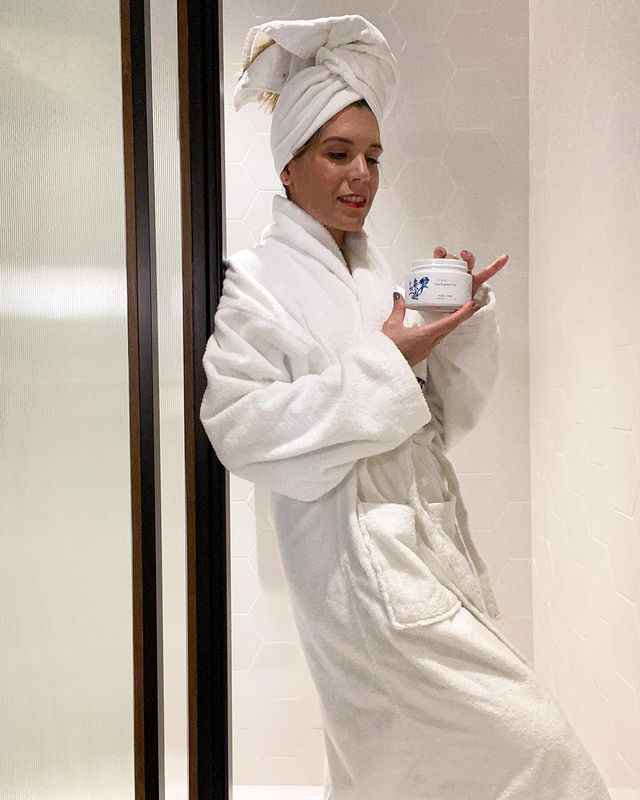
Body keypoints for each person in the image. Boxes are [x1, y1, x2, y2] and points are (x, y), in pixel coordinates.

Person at [199, 14, 612, 800]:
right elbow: (238, 429)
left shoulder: (370, 272)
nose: (362, 175)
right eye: (338, 153)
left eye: (374, 157)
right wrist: (388, 361)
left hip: (418, 559)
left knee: (387, 770)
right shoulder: (258, 281)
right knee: (540, 750)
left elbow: (428, 422)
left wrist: (454, 328)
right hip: (359, 581)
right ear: (289, 164)